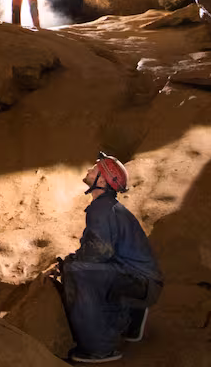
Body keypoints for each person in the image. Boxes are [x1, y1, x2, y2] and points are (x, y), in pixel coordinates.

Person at [59, 153, 163, 363]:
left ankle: (99, 349)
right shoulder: (107, 207)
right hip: (142, 280)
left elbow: (99, 252)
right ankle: (130, 316)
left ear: (103, 180)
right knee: (78, 267)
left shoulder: (102, 208)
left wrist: (72, 263)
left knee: (79, 273)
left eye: (95, 169)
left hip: (140, 281)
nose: (89, 170)